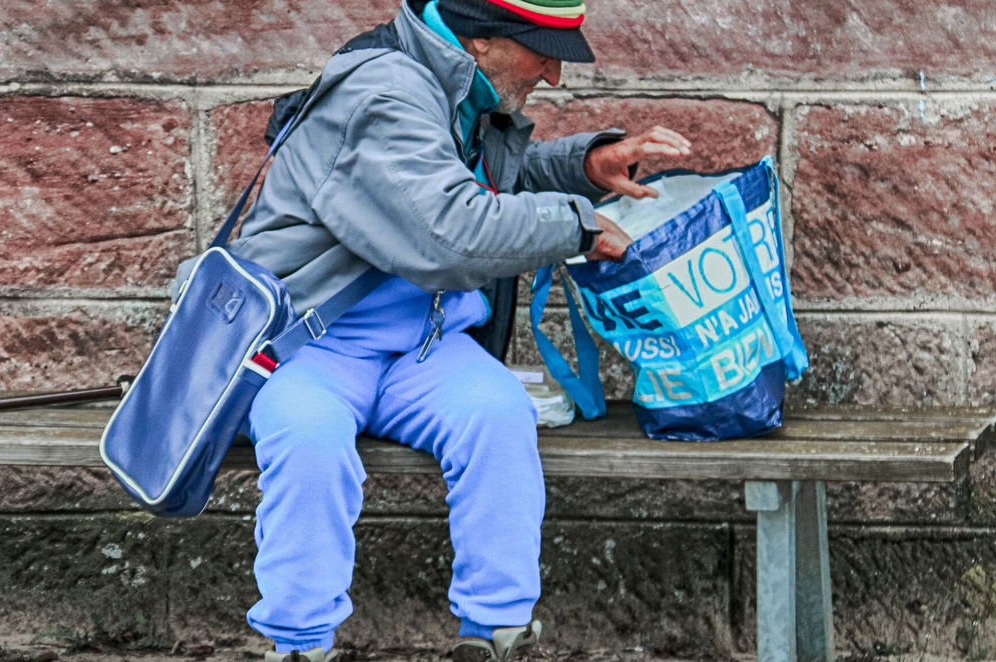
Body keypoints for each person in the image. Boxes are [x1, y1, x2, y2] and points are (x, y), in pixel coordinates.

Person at [223, 0, 692, 660]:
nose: (554, 75)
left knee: (498, 415)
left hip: (424, 344)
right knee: (310, 441)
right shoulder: (383, 90)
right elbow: (452, 231)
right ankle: (299, 643)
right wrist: (575, 224)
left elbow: (473, 178)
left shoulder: (450, 82)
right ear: (478, 40)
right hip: (312, 345)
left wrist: (584, 168)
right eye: (541, 49)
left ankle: (495, 635)